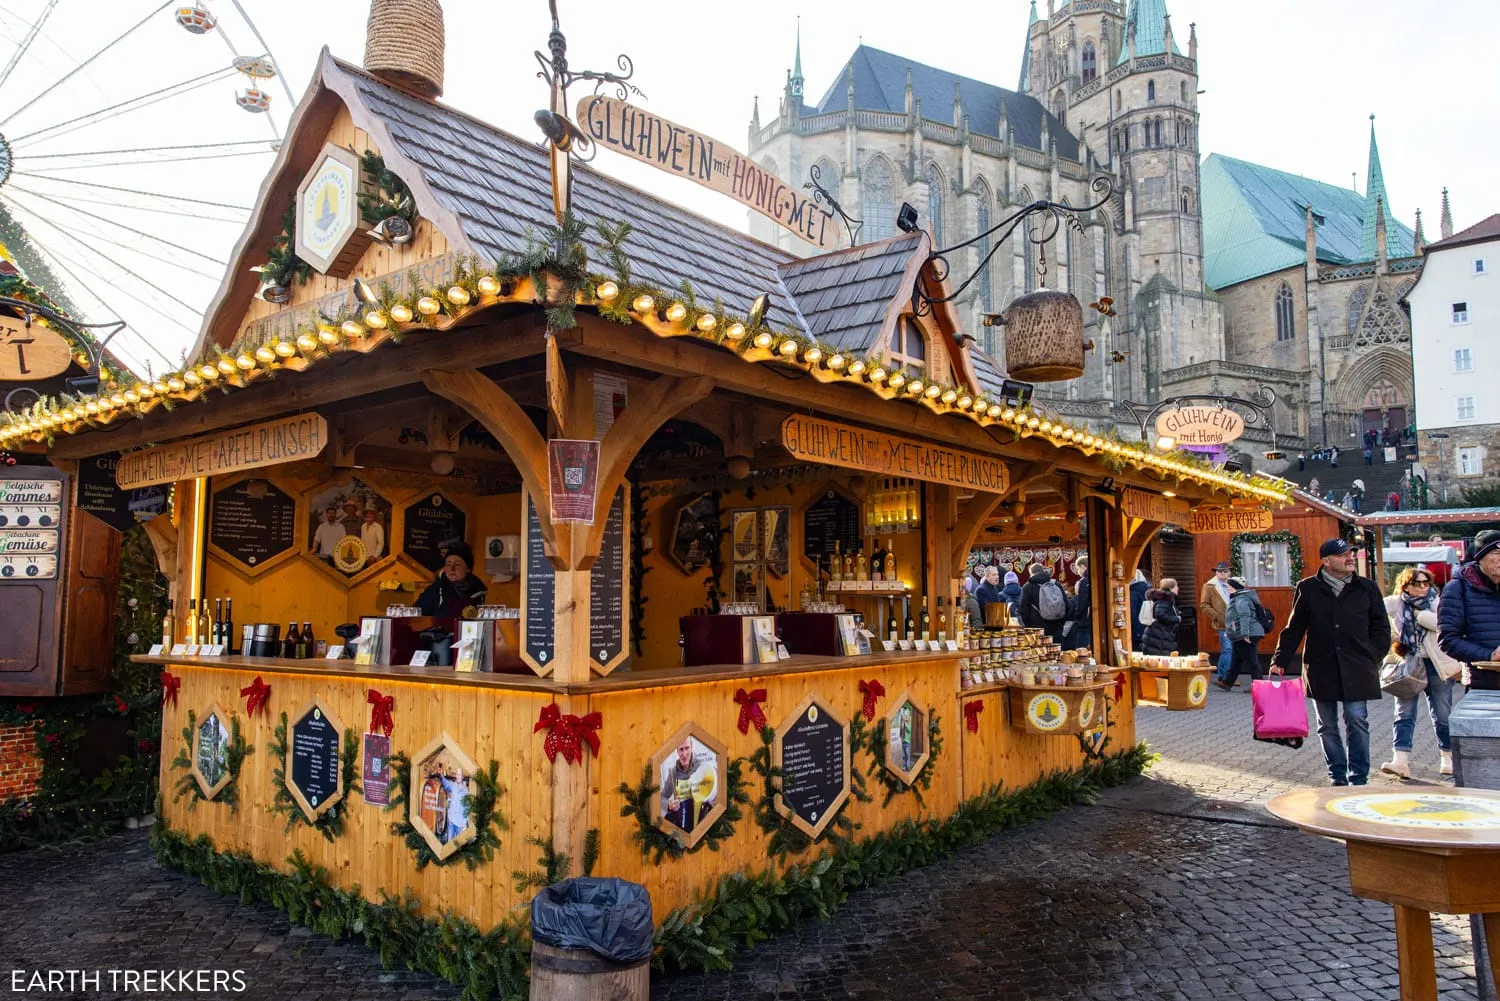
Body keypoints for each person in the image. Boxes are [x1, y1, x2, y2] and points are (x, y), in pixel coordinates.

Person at [1272, 539, 1390, 786]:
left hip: (1358, 667)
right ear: (1326, 561)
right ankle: (1337, 775)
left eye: (1352, 553)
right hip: (1321, 665)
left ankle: (1358, 776)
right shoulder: (1308, 588)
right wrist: (1280, 659)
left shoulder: (1366, 587)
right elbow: (1295, 627)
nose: (1350, 558)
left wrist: (1373, 654)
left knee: (1357, 720)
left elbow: (1381, 627)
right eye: (1343, 554)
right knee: (1327, 726)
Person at [1380, 568, 1461, 779]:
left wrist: (1420, 615)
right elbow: (1373, 609)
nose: (1423, 587)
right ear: (1406, 585)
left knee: (1442, 713)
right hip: (1409, 661)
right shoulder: (1396, 603)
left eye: (1426, 583)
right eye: (1417, 583)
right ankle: (1400, 760)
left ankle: (1447, 757)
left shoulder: (1437, 602)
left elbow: (1444, 625)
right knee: (1404, 712)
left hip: (1435, 664)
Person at [1437, 529, 1500, 695]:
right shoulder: (1458, 588)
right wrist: (1490, 655)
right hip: (1484, 686)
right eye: (1496, 552)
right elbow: (1448, 639)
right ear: (1480, 557)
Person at [1220, 577, 1269, 689]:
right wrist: (1230, 631)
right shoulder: (1238, 597)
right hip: (1240, 633)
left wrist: (1245, 634)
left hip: (1248, 633)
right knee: (1237, 659)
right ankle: (1227, 682)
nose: (1227, 588)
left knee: (1251, 660)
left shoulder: (1241, 599)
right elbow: (1234, 617)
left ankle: (1259, 687)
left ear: (1233, 587)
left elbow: (1244, 616)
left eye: (1228, 586)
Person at [414, 542, 487, 617]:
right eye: (448, 564)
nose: (452, 569)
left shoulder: (479, 590)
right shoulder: (435, 590)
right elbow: (415, 617)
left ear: (468, 568)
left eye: (457, 564)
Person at [660, 737, 717, 833]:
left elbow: (713, 791)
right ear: (677, 751)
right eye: (681, 749)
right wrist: (669, 805)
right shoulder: (673, 773)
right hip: (682, 821)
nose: (684, 754)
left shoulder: (701, 767)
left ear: (692, 747)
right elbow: (661, 797)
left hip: (701, 819)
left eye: (687, 748)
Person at [1201, 562, 1233, 685]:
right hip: (1222, 623)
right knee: (1228, 649)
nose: (1221, 573)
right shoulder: (1209, 586)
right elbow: (1204, 605)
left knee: (1231, 650)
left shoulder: (1234, 584)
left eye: (1224, 571)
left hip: (1236, 622)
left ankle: (1222, 674)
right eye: (1219, 571)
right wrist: (1217, 616)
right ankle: (1226, 676)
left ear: (1229, 572)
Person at [1020, 562, 1069, 641]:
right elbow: (1066, 604)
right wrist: (1061, 622)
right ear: (1043, 570)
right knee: (1056, 652)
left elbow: (1024, 608)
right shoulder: (1056, 584)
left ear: (1031, 573)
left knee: (1039, 652)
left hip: (1037, 628)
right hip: (1056, 626)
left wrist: (1028, 625)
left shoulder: (1028, 586)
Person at [1141, 578, 1182, 655]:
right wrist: (1176, 618)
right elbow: (1160, 614)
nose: (1178, 588)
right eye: (1176, 586)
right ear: (1171, 588)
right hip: (1159, 638)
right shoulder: (1165, 599)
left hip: (1161, 637)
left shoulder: (1166, 599)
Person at [1067, 556, 1093, 651]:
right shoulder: (1095, 577)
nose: (1078, 571)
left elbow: (1082, 603)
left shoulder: (1084, 581)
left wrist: (1077, 618)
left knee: (1081, 650)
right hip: (1094, 620)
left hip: (1084, 621)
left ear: (1082, 566)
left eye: (1078, 568)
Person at [1129, 569, 1150, 650]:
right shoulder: (1148, 590)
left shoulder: (1133, 593)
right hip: (1148, 631)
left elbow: (1131, 614)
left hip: (1137, 632)